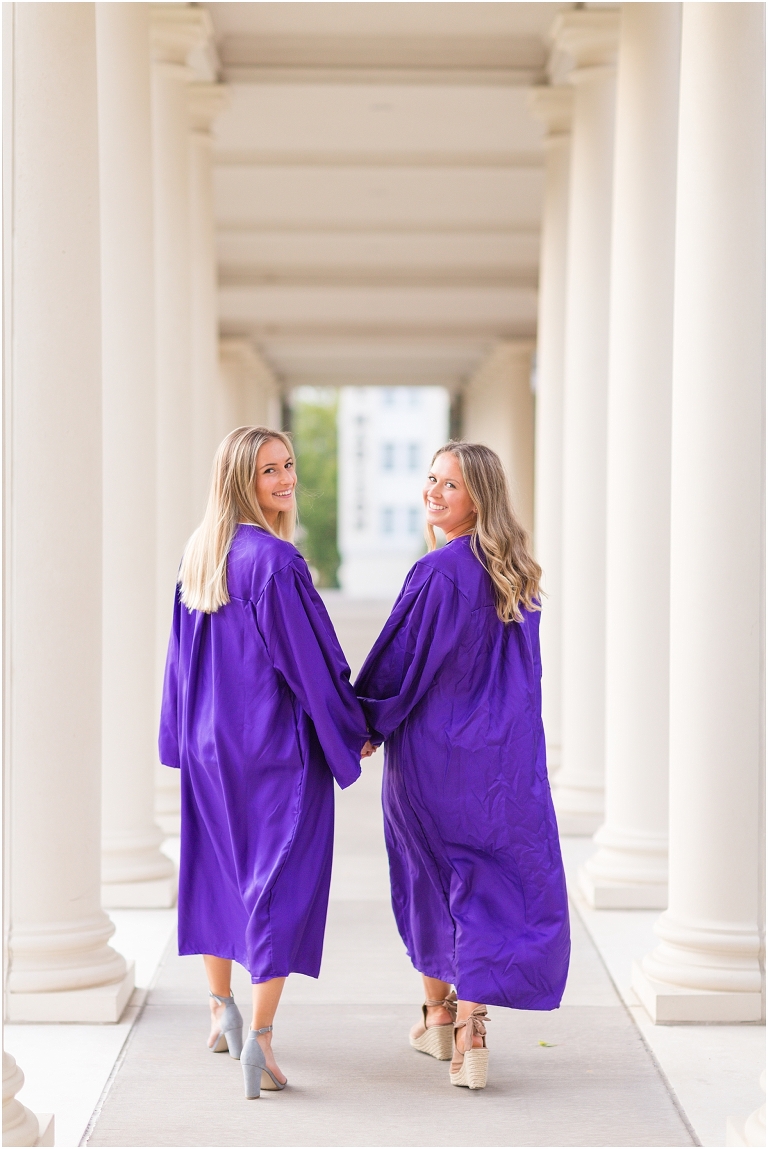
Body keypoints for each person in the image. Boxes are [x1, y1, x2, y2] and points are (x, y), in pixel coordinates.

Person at [159, 426, 374, 1099]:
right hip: (273, 749)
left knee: (217, 871)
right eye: (268, 471)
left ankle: (220, 1010)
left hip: (209, 745)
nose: (285, 480)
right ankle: (261, 1039)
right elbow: (308, 664)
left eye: (287, 466)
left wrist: (177, 739)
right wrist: (351, 729)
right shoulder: (275, 563)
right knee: (280, 880)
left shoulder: (201, 552)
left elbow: (178, 661)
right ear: (240, 482)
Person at [355, 441, 570, 1091]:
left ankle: (439, 1017)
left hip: (434, 755)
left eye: (449, 483)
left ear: (479, 495)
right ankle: (472, 1030)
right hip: (504, 759)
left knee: (428, 879)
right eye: (431, 479)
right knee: (485, 883)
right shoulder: (517, 574)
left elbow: (400, 664)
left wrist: (364, 725)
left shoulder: (440, 571)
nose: (433, 491)